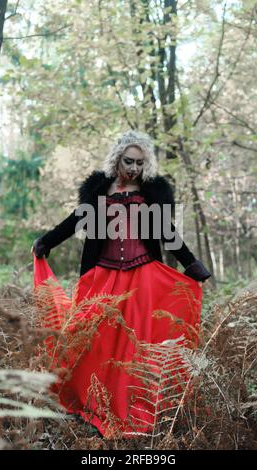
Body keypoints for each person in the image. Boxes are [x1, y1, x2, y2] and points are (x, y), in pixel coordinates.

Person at [31, 130, 211, 438]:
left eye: (140, 163)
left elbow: (166, 232)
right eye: (129, 161)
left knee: (134, 348)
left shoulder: (150, 192)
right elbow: (75, 221)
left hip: (142, 278)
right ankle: (94, 402)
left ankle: (130, 407)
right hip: (103, 276)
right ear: (117, 158)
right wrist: (47, 242)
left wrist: (190, 262)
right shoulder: (99, 190)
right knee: (94, 343)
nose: (134, 169)